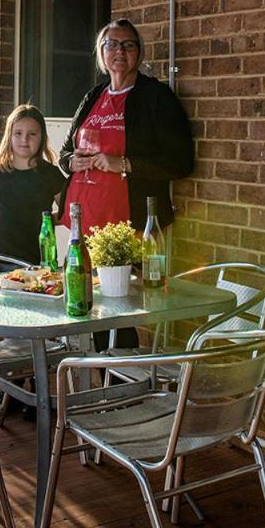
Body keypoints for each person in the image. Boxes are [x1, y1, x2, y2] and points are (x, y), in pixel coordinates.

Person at [58, 18, 194, 346]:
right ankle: (91, 370)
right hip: (83, 223)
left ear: (139, 53)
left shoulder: (156, 96)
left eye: (128, 45)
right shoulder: (93, 96)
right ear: (101, 53)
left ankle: (117, 375)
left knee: (117, 311)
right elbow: (64, 153)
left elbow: (181, 162)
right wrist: (71, 162)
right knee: (81, 302)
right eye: (112, 44)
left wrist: (123, 163)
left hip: (126, 228)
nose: (119, 51)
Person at [0, 104, 63, 264]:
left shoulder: (51, 174)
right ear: (9, 136)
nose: (24, 139)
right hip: (3, 262)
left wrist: (46, 220)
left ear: (42, 137)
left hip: (43, 264)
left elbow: (70, 213)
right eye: (18, 133)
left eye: (32, 134)